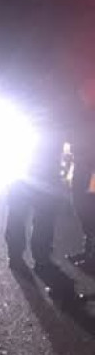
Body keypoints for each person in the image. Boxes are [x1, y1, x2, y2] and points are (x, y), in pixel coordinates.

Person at [5, 76, 65, 274]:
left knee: (27, 214)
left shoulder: (23, 104)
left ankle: (24, 257)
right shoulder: (54, 108)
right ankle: (36, 258)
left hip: (32, 170)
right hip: (33, 170)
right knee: (37, 216)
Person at [66, 76, 95, 272]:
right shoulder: (83, 112)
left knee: (89, 210)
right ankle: (89, 253)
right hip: (81, 166)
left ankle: (92, 257)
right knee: (82, 209)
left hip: (91, 170)